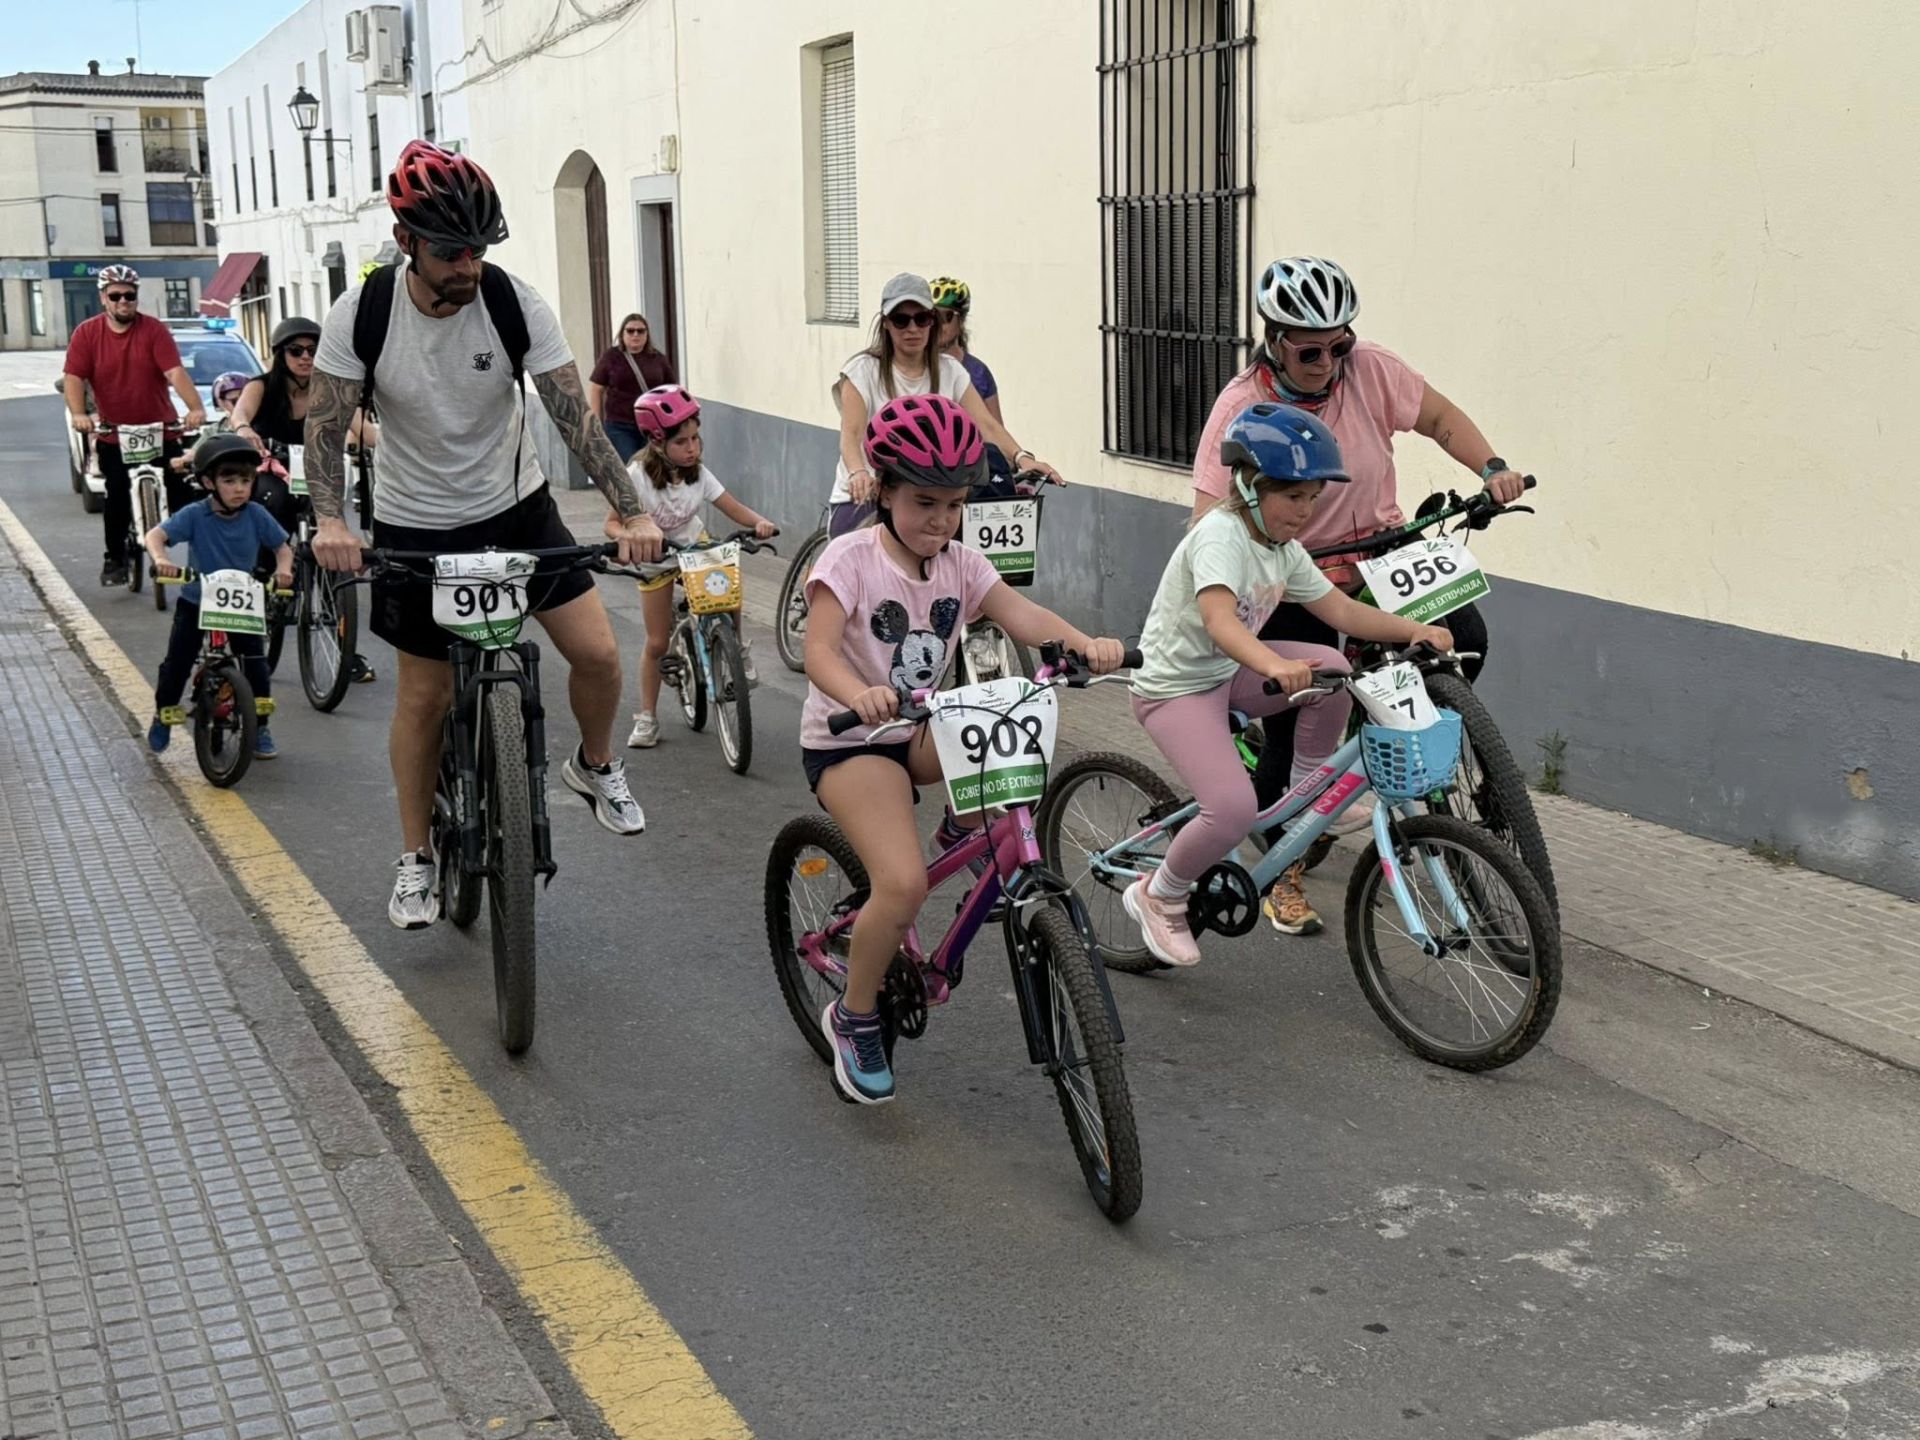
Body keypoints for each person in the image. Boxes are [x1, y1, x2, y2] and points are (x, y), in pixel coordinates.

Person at [304, 139, 665, 930]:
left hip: (515, 510)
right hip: (415, 523)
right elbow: (326, 431)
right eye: (448, 250)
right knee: (426, 697)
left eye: (477, 248)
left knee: (600, 656)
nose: (466, 265)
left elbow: (576, 419)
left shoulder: (512, 302)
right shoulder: (360, 313)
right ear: (406, 242)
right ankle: (415, 859)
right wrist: (331, 520)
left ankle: (594, 764)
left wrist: (631, 511)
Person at [802, 394, 1125, 1105]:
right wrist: (858, 693)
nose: (941, 520)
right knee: (906, 885)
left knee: (1008, 744)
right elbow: (818, 649)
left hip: (920, 726)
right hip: (852, 740)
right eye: (924, 502)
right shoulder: (849, 558)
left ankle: (960, 829)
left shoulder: (961, 562)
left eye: (954, 505)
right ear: (883, 491)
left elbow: (1023, 615)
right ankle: (853, 1018)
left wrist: (1082, 644)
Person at [1189, 256, 1529, 929]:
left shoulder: (1370, 367)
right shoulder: (1241, 404)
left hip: (1383, 551)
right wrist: (1252, 566)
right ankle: (1281, 866)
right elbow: (1207, 520)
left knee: (1465, 641)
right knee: (1295, 725)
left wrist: (1491, 467)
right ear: (1274, 341)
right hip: (1297, 571)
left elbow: (1437, 417)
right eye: (1310, 349)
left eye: (1338, 344)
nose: (1328, 360)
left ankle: (1445, 767)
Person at [1128, 403, 1455, 959]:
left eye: (1313, 497)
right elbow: (1219, 621)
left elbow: (1342, 614)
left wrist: (1416, 630)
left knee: (1334, 667)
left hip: (1226, 674)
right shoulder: (1222, 536)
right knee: (1230, 811)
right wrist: (1273, 665)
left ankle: (1310, 788)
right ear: (1251, 487)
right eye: (1293, 496)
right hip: (1175, 688)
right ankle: (1160, 894)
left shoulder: (1282, 548)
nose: (1306, 511)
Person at [828, 273, 1057, 538]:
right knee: (853, 559)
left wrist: (1022, 458)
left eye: (921, 319)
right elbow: (852, 434)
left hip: (933, 495)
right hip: (871, 493)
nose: (912, 329)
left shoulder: (951, 371)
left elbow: (985, 424)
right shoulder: (862, 371)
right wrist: (858, 472)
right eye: (901, 320)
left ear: (932, 323)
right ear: (886, 325)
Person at [613, 385, 776, 749]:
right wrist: (631, 536)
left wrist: (760, 522)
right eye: (682, 442)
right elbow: (612, 522)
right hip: (656, 560)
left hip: (694, 546)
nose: (692, 448)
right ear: (657, 442)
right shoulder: (636, 476)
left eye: (695, 438)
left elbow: (729, 505)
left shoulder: (698, 473)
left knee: (727, 577)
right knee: (656, 642)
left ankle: (734, 645)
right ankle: (648, 718)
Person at [231, 317, 378, 684]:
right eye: (296, 351)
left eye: (313, 351)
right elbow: (240, 414)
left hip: (318, 476)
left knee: (331, 553)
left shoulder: (331, 389)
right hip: (273, 469)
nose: (305, 358)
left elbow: (364, 430)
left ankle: (344, 648)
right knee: (272, 505)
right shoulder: (261, 387)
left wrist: (401, 444)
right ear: (281, 355)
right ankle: (265, 578)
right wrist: (244, 430)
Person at [143, 433, 294, 760]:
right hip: (197, 600)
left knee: (256, 664)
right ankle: (164, 713)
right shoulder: (196, 514)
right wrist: (163, 560)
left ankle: (261, 726)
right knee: (177, 663)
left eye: (246, 480)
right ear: (209, 483)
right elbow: (156, 536)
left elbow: (282, 547)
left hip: (243, 600)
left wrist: (284, 570)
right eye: (230, 480)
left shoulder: (256, 514)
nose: (240, 488)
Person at [63, 265, 207, 585]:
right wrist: (79, 414)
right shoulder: (87, 333)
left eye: (130, 295)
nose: (124, 301)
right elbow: (75, 377)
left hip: (160, 428)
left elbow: (174, 373)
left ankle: (191, 550)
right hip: (114, 433)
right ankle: (115, 558)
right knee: (115, 495)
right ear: (104, 299)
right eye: (116, 296)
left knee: (182, 488)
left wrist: (195, 408)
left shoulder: (154, 331)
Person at [588, 313, 677, 463]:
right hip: (620, 426)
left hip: (652, 427)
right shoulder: (611, 357)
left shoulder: (658, 359)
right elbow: (596, 388)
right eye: (630, 331)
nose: (635, 334)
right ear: (622, 333)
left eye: (641, 331)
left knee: (652, 468)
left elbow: (671, 390)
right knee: (632, 467)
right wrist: (596, 423)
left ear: (647, 334)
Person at [930, 276, 1002, 423]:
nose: (937, 325)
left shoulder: (979, 372)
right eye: (932, 316)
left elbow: (996, 429)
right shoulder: (914, 366)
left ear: (961, 321)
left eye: (945, 317)